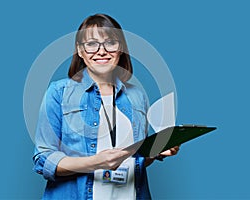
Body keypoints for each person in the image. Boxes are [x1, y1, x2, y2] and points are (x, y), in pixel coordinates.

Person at [33, 13, 180, 200]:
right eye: (92, 44)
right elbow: (43, 159)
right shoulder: (59, 93)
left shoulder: (137, 96)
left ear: (121, 49)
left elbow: (135, 161)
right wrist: (95, 162)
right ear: (80, 50)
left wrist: (156, 152)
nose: (101, 51)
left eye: (110, 43)